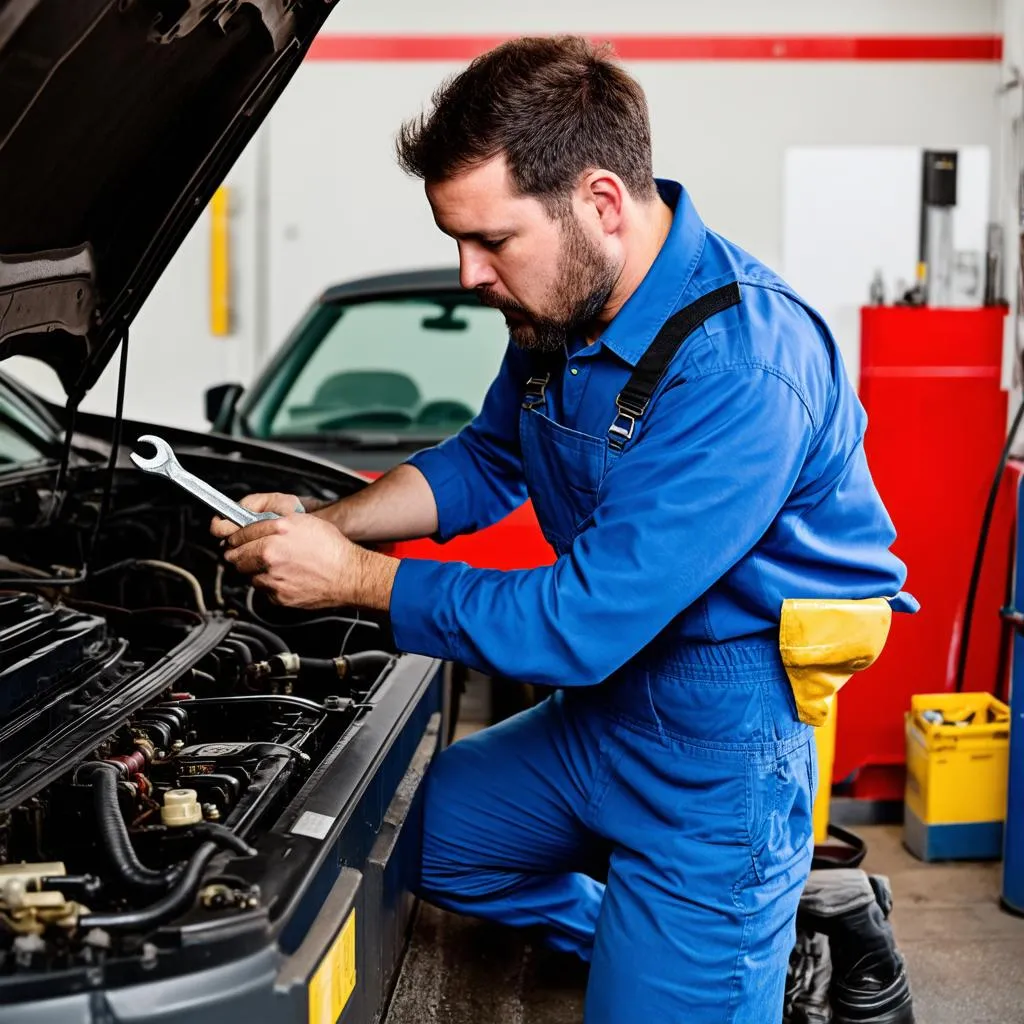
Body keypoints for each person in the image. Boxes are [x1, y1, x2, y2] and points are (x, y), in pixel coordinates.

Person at [211, 36, 916, 1024]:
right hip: (599, 718)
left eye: (491, 241)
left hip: (719, 750)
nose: (468, 275)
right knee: (412, 840)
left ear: (598, 202)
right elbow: (486, 459)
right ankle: (689, 938)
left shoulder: (742, 364)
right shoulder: (564, 318)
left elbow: (581, 620)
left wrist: (358, 580)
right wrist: (328, 521)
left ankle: (738, 941)